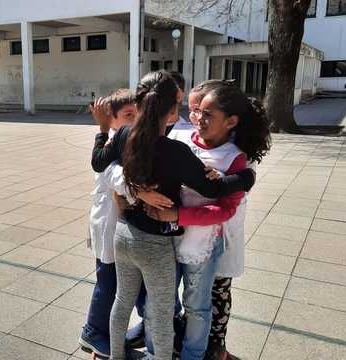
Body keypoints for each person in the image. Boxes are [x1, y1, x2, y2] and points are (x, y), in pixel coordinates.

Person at [91, 71, 255, 360]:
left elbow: (98, 163)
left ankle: (116, 356)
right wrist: (245, 177)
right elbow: (213, 189)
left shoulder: (125, 134)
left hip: (123, 234)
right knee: (163, 310)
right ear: (171, 110)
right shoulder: (176, 150)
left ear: (140, 105)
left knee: (122, 300)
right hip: (154, 245)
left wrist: (104, 129)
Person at [80, 89, 143, 358]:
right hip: (108, 226)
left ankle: (118, 331)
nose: (136, 120)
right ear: (113, 119)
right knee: (108, 282)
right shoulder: (111, 147)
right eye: (129, 115)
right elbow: (121, 181)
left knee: (123, 283)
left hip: (123, 229)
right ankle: (93, 332)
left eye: (139, 114)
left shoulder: (128, 141)